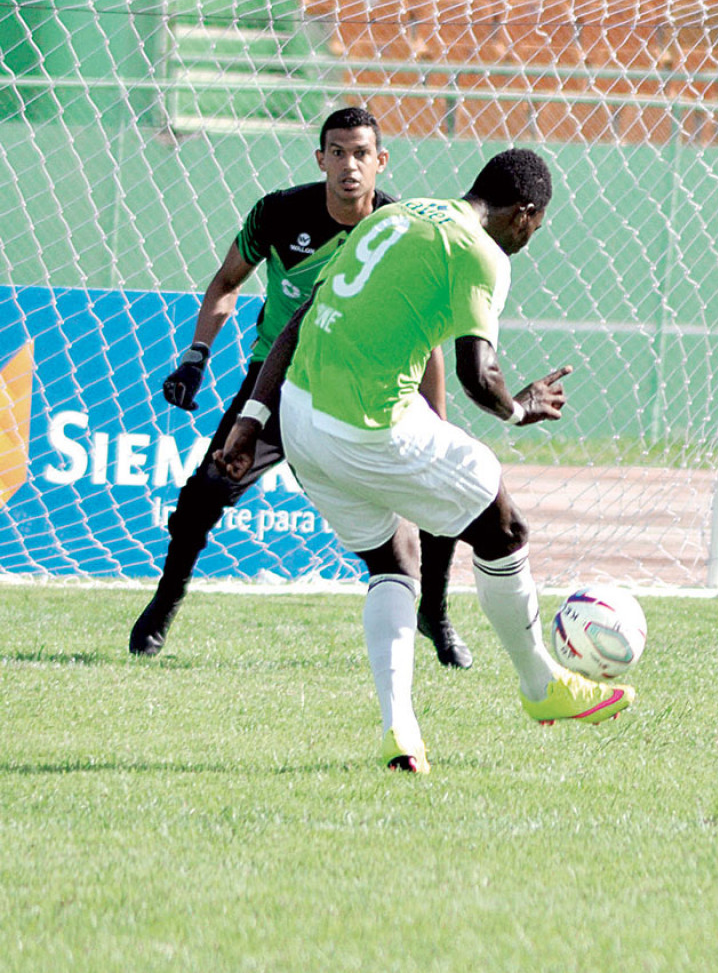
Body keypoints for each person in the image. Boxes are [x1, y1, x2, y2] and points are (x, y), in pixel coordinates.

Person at [214, 148, 635, 774]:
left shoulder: (395, 215)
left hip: (299, 417)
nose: (529, 240)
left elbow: (298, 320)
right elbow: (477, 373)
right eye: (535, 229)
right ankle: (542, 687)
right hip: (367, 426)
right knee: (505, 528)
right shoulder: (481, 253)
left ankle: (400, 732)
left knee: (393, 559)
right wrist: (519, 409)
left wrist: (253, 418)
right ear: (524, 214)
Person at [129, 107, 471, 667]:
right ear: (320, 159)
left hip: (362, 387)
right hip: (275, 384)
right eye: (337, 152)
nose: (349, 165)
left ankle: (433, 611)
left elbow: (429, 333)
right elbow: (226, 281)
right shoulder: (280, 213)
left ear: (380, 161)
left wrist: (436, 415)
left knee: (432, 498)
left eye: (361, 153)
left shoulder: (399, 229)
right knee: (204, 494)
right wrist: (196, 357)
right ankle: (163, 604)